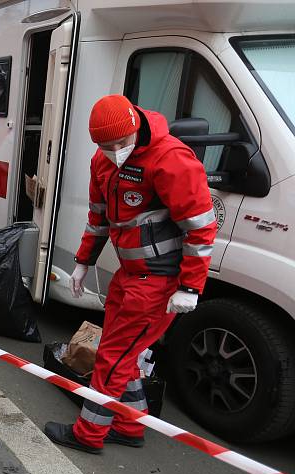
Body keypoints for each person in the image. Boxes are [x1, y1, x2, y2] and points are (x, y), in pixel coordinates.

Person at [43, 94, 218, 453]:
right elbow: (98, 219)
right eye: (106, 145)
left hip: (158, 281)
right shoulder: (103, 160)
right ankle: (129, 425)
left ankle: (88, 435)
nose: (114, 151)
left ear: (135, 127)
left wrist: (190, 287)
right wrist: (82, 262)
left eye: (121, 143)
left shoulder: (171, 159)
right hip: (131, 275)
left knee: (113, 358)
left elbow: (201, 229)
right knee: (127, 356)